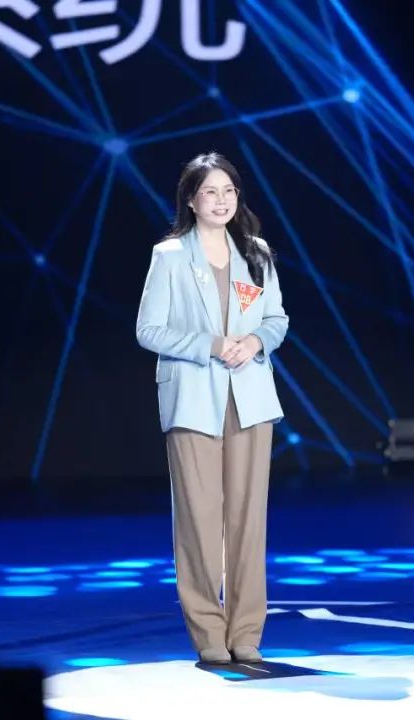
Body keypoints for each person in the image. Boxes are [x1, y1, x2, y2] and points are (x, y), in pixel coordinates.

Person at [135, 152, 289, 664]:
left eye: (229, 191)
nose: (221, 201)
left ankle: (246, 631)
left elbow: (277, 318)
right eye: (210, 192)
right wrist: (212, 344)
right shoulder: (170, 256)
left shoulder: (256, 252)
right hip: (194, 399)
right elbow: (148, 330)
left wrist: (256, 341)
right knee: (199, 519)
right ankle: (208, 633)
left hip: (250, 398)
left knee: (248, 519)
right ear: (191, 200)